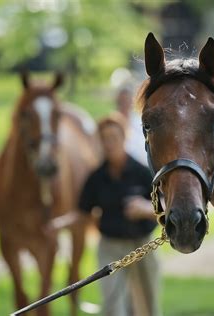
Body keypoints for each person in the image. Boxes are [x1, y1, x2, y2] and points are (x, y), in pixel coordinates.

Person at [78, 112, 161, 316]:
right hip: (110, 247)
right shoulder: (96, 177)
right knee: (113, 306)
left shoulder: (143, 172)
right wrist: (57, 225)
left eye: (113, 138)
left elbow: (166, 208)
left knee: (146, 307)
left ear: (124, 137)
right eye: (104, 139)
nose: (109, 144)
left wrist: (144, 208)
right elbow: (82, 213)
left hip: (142, 246)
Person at [115, 86, 148, 166]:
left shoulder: (140, 122)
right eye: (122, 101)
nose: (124, 104)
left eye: (127, 100)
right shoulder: (112, 123)